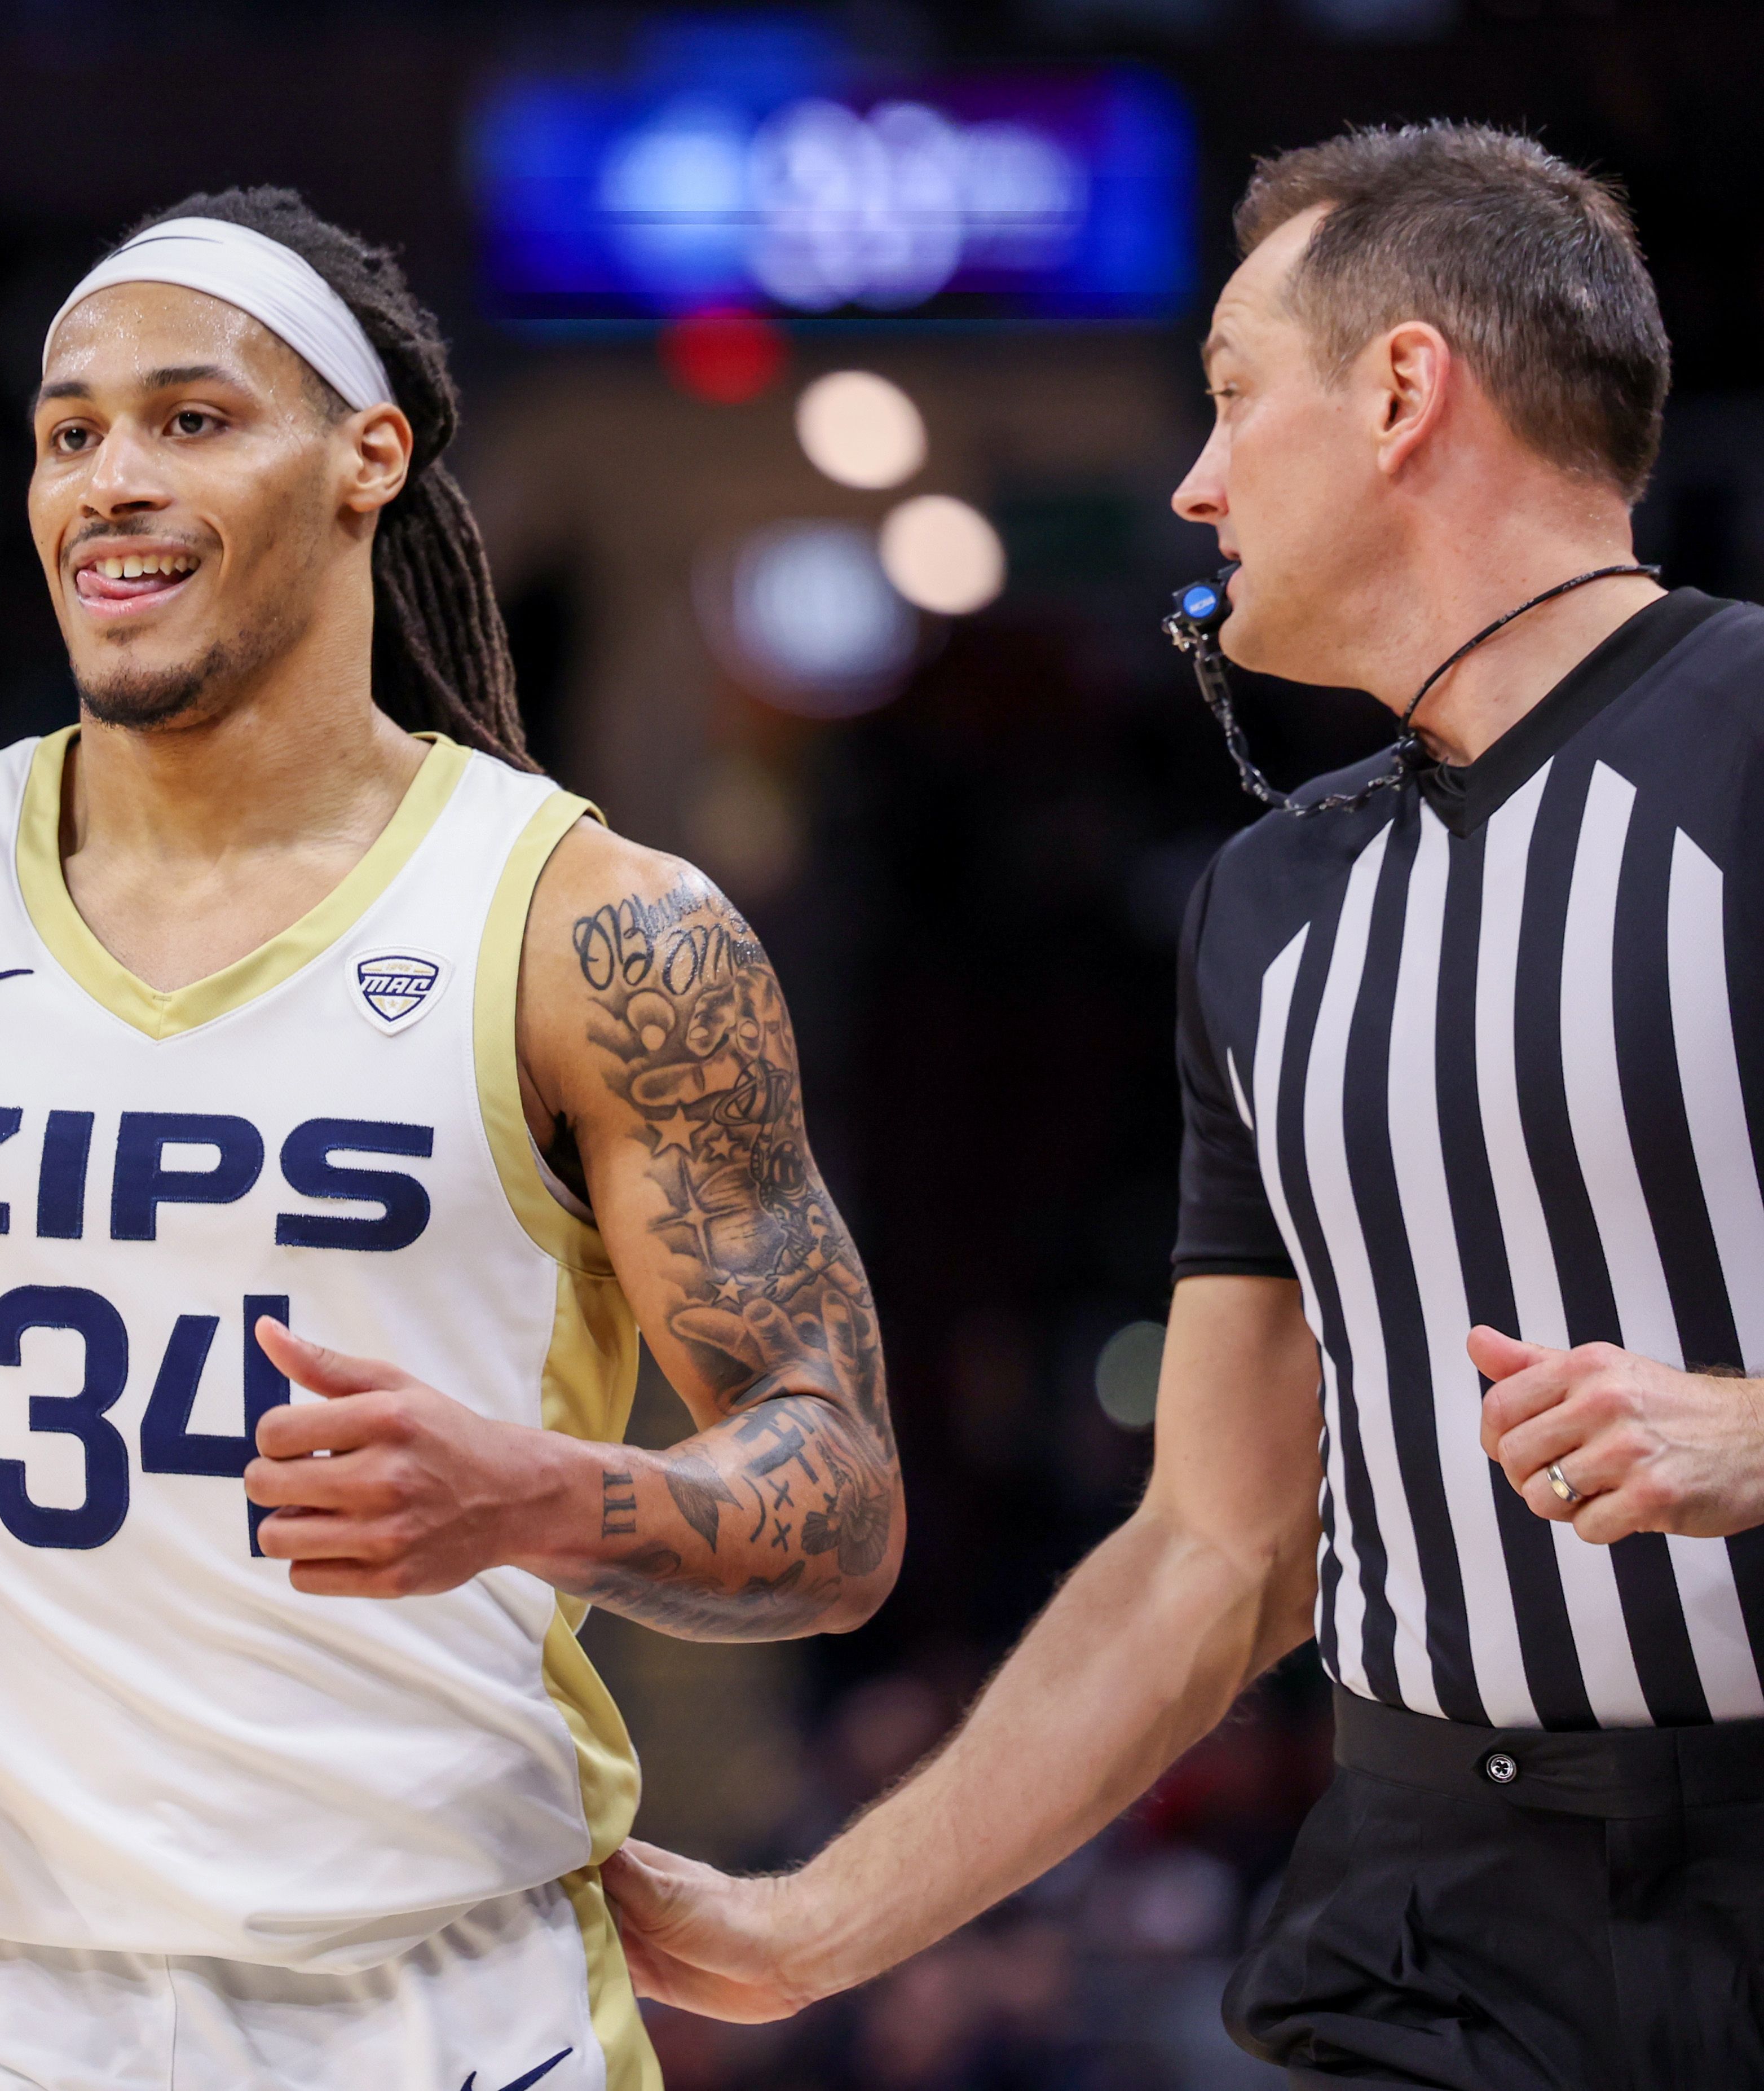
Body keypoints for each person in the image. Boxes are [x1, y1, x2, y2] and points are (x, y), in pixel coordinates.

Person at [0, 187, 903, 2090]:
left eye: (191, 419)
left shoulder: (602, 934)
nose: (109, 477)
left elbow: (838, 1495)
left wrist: (533, 1493)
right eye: (68, 430)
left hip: (442, 1995)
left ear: (368, 457)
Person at [605, 123, 1764, 2088]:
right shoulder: (1270, 901)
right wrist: (809, 1928)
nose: (1193, 478)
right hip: (1430, 1910)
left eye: (1236, 395)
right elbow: (1210, 1556)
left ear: (1404, 390)